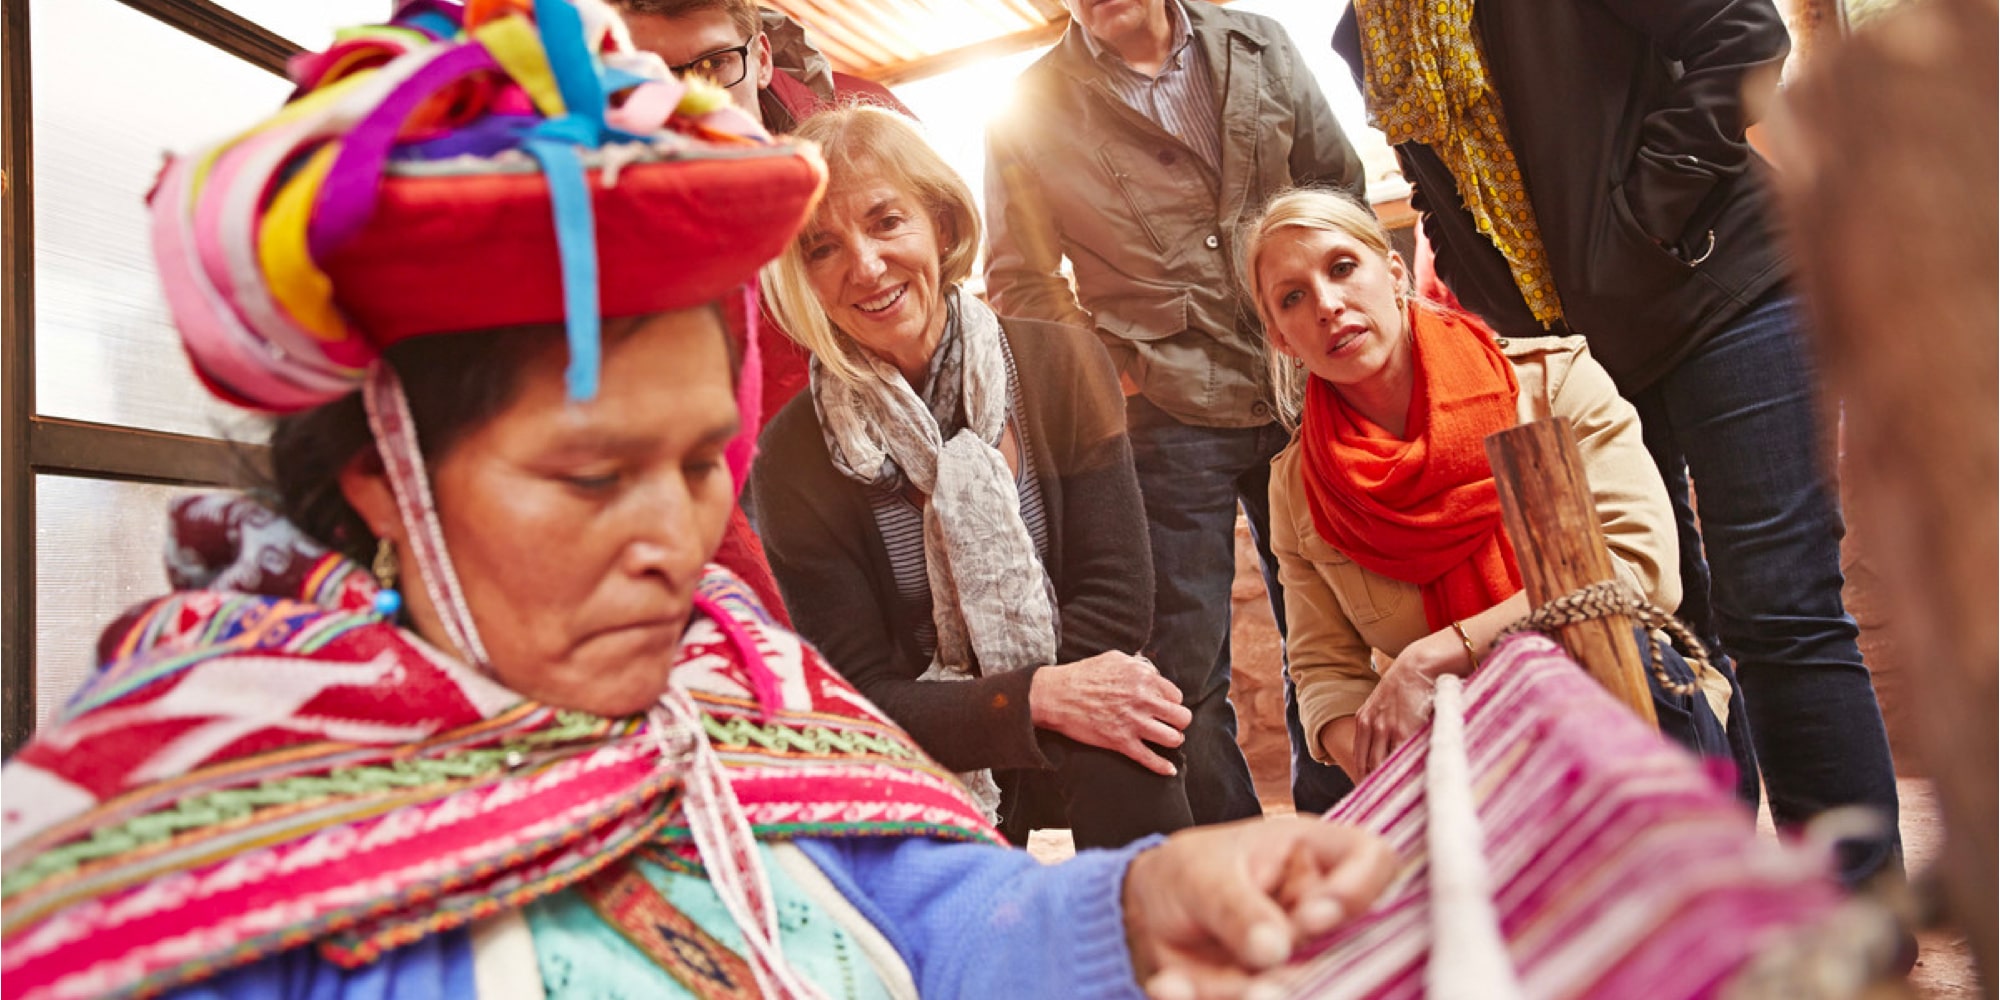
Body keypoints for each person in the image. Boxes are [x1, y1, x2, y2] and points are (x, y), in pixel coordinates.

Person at [0, 6, 1399, 999]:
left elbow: (934, 904)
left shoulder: (731, 683)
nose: (676, 543)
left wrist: (1138, 907)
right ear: (385, 476)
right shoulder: (203, 839)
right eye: (593, 476)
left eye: (695, 463)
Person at [1332, 0, 1900, 882]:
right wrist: (1503, 316)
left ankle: (1857, 917)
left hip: (1722, 291)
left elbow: (1744, 37)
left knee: (1777, 607)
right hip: (1580, 352)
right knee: (1653, 623)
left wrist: (1645, 217)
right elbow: (1438, 190)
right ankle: (1714, 900)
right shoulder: (1361, 30)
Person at [752, 105, 1192, 849]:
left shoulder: (1063, 364)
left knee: (1137, 744)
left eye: (887, 221)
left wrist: (1048, 703)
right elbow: (857, 688)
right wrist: (1026, 703)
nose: (864, 265)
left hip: (1075, 689)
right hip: (920, 741)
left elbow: (1118, 601)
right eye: (822, 247)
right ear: (800, 278)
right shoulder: (791, 455)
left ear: (943, 227)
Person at [983, 0, 1366, 821]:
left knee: (1337, 628)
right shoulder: (1027, 106)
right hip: (1163, 417)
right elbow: (1019, 277)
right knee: (1185, 669)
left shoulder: (1259, 41)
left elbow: (1339, 188)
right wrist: (1109, 369)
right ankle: (1240, 862)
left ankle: (1346, 830)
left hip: (1305, 386)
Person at [1242, 188, 1748, 781]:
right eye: (1293, 297)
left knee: (1630, 652)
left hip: (1631, 715)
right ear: (1280, 337)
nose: (1327, 305)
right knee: (1348, 793)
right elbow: (1325, 672)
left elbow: (1637, 575)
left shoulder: (1552, 386)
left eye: (1343, 267)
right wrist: (1407, 777)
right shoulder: (1299, 486)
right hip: (1470, 757)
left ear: (1396, 271)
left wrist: (1434, 655)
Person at [611, 0, 914, 431]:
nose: (691, 103)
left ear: (763, 58)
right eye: (652, 78)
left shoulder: (873, 127)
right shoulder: (589, 197)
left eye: (714, 63)